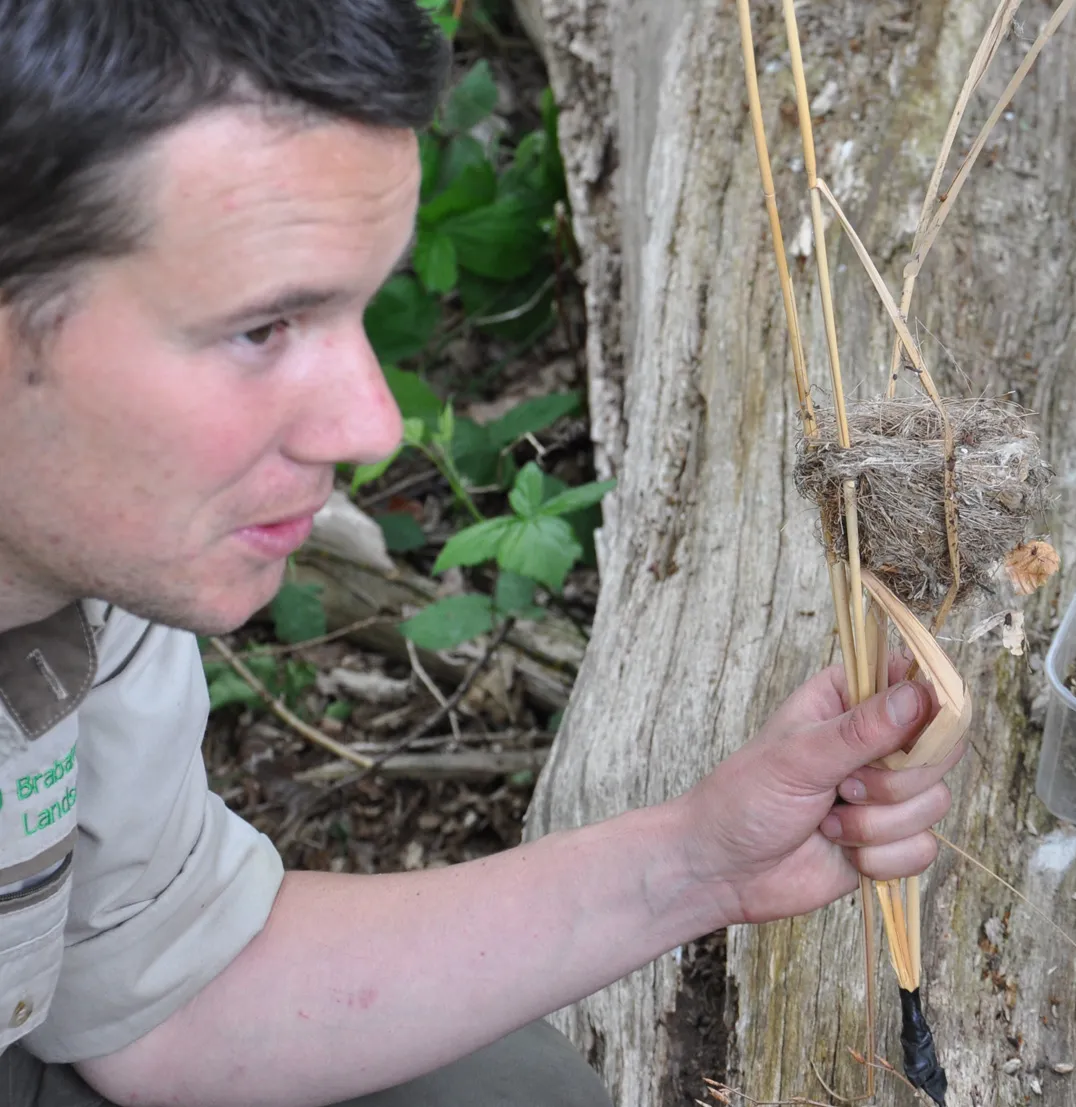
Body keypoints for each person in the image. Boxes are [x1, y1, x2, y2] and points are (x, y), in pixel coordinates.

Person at [0, 2, 964, 1104]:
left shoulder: (81, 562)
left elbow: (162, 1000)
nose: (370, 427)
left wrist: (702, 862)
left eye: (362, 312)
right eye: (261, 328)